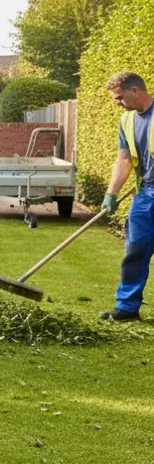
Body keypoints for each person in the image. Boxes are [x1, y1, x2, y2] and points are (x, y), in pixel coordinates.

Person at [102, 70, 154, 321]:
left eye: (120, 97)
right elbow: (124, 160)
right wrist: (111, 194)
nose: (118, 103)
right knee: (135, 249)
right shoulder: (127, 121)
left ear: (136, 90)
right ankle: (127, 307)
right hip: (147, 193)